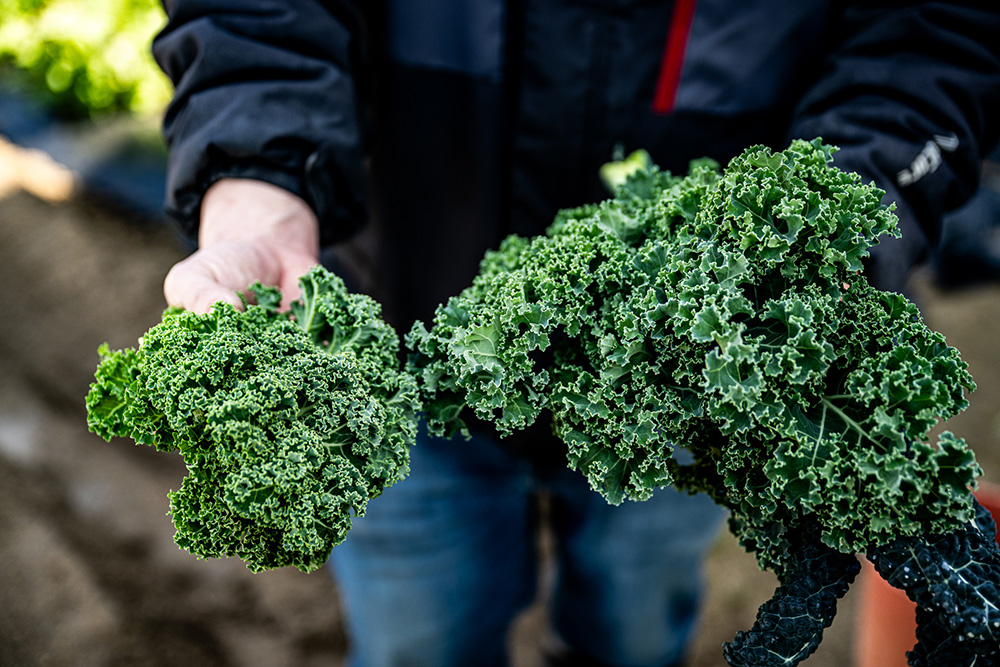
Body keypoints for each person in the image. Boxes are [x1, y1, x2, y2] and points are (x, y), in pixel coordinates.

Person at [151, 2, 1000, 666]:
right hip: (397, 338)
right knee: (421, 640)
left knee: (631, 625)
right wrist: (259, 176)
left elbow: (929, 34)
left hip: (685, 384)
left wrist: (816, 230)